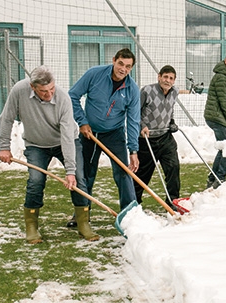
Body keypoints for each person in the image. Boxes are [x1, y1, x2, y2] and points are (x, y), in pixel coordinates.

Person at [0, 66, 99, 243]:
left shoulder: (63, 98)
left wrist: (69, 171)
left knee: (78, 178)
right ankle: (31, 227)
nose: (49, 93)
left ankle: (83, 224)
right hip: (36, 144)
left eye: (52, 88)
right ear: (33, 87)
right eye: (44, 91)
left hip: (64, 142)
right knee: (36, 181)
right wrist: (4, 147)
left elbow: (68, 136)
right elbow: (6, 118)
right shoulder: (19, 91)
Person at [69, 48, 140, 219]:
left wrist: (133, 150)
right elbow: (72, 96)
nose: (123, 69)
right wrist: (82, 122)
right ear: (114, 60)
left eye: (128, 66)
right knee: (85, 174)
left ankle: (129, 215)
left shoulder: (132, 90)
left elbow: (133, 121)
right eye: (121, 63)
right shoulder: (94, 74)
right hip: (89, 133)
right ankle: (81, 213)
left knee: (124, 173)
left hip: (114, 134)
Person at [135, 65, 181, 208]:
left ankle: (172, 201)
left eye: (171, 78)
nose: (167, 80)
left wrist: (171, 122)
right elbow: (134, 112)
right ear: (159, 76)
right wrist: (142, 125)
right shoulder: (147, 91)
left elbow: (170, 109)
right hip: (147, 139)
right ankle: (134, 203)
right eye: (165, 77)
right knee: (143, 174)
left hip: (165, 137)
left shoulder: (174, 92)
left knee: (173, 168)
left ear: (174, 81)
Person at [204, 52, 226, 189]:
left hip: (221, 117)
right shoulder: (221, 77)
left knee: (224, 148)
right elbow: (224, 103)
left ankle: (213, 178)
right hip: (216, 117)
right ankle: (220, 180)